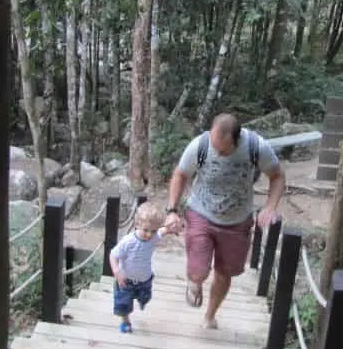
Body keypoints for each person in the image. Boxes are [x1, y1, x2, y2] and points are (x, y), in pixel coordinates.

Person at [164, 113, 285, 329]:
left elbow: (277, 177)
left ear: (237, 140)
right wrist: (172, 210)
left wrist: (270, 207)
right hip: (201, 212)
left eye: (222, 149)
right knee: (199, 270)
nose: (217, 153)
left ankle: (209, 316)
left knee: (224, 273)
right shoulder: (200, 145)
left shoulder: (256, 147)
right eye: (214, 146)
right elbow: (180, 175)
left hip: (237, 220)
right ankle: (195, 280)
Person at [109, 202, 174, 333]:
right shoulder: (128, 242)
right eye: (145, 230)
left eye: (153, 231)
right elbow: (113, 255)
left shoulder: (154, 236)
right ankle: (125, 321)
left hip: (145, 279)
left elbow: (163, 231)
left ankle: (142, 300)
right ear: (137, 224)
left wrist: (172, 227)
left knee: (146, 297)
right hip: (126, 280)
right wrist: (116, 271)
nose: (149, 234)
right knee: (123, 305)